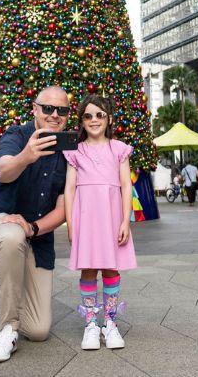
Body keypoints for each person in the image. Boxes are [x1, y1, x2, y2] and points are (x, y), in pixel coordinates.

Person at [0, 86, 69, 363]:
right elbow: (4, 170)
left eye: (62, 111)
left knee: (38, 330)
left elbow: (63, 209)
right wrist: (27, 155)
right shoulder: (17, 135)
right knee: (12, 234)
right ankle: (7, 331)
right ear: (35, 109)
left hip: (35, 236)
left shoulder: (68, 151)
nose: (54, 115)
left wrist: (33, 228)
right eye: (48, 108)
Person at [63, 94, 137, 351]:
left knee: (111, 268)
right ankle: (91, 325)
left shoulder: (119, 149)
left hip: (112, 216)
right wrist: (72, 223)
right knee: (89, 269)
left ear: (109, 118)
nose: (94, 120)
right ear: (82, 121)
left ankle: (110, 323)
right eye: (88, 115)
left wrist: (125, 221)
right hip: (86, 218)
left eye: (99, 115)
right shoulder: (76, 151)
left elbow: (126, 185)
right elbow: (70, 188)